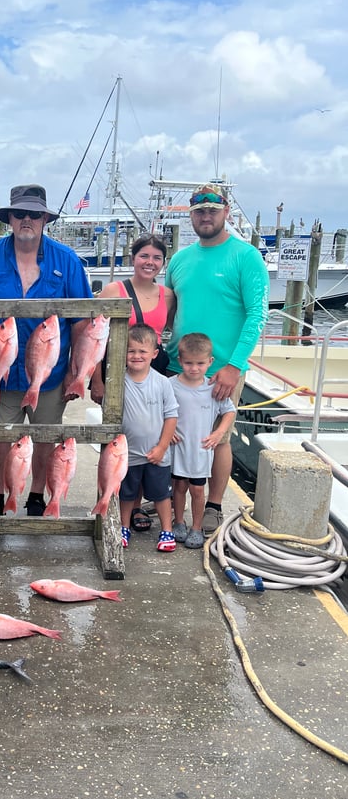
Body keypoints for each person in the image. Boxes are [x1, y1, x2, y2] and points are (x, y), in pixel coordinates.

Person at [0, 184, 93, 517]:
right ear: (9, 218)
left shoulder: (67, 260)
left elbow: (82, 321)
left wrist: (75, 370)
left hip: (50, 372)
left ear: (45, 219)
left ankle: (37, 495)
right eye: (20, 214)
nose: (27, 220)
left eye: (34, 214)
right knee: (1, 437)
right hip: (4, 369)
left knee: (45, 436)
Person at [165, 183, 269, 532]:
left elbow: (258, 315)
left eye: (212, 210)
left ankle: (213, 504)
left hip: (221, 368)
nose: (206, 216)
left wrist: (234, 366)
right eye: (199, 211)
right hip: (178, 366)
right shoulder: (179, 259)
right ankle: (171, 499)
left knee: (218, 438)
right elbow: (170, 309)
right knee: (173, 433)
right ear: (191, 216)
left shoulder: (246, 256)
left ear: (226, 212)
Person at [90, 233, 176, 530]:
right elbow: (93, 336)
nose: (149, 262)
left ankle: (137, 506)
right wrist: (96, 379)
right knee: (119, 439)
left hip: (152, 374)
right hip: (117, 374)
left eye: (156, 258)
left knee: (148, 440)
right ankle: (112, 499)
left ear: (162, 263)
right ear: (133, 258)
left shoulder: (167, 295)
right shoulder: (114, 290)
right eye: (144, 256)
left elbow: (169, 331)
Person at [169, 332, 236, 549]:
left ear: (210, 362)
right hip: (178, 448)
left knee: (197, 490)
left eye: (200, 363)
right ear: (180, 361)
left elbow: (229, 411)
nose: (194, 368)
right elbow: (160, 411)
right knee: (178, 486)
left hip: (200, 451)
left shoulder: (213, 388)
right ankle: (178, 521)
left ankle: (196, 526)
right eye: (189, 363)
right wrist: (166, 431)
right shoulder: (170, 385)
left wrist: (218, 433)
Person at [118, 324, 179, 552]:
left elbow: (171, 416)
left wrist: (163, 447)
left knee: (162, 495)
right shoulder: (118, 381)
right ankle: (123, 527)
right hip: (127, 454)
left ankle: (166, 530)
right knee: (126, 493)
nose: (136, 356)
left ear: (154, 354)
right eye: (131, 350)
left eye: (142, 351)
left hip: (157, 454)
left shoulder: (163, 382)